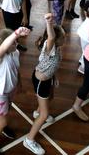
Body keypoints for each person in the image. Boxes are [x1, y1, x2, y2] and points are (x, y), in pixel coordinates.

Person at [0, 27, 30, 155]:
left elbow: (16, 69)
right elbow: (3, 48)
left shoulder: (15, 53)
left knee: (6, 111)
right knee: (1, 121)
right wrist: (16, 33)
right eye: (14, 42)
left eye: (17, 41)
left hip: (9, 91)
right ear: (5, 44)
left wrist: (18, 84)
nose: (17, 44)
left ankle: (3, 127)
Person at [23, 13, 64, 155]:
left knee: (50, 97)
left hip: (48, 78)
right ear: (56, 39)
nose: (65, 38)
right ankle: (29, 139)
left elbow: (54, 64)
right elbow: (51, 36)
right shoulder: (49, 45)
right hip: (41, 81)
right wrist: (49, 22)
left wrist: (54, 76)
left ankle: (37, 111)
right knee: (45, 115)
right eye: (63, 36)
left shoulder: (57, 48)